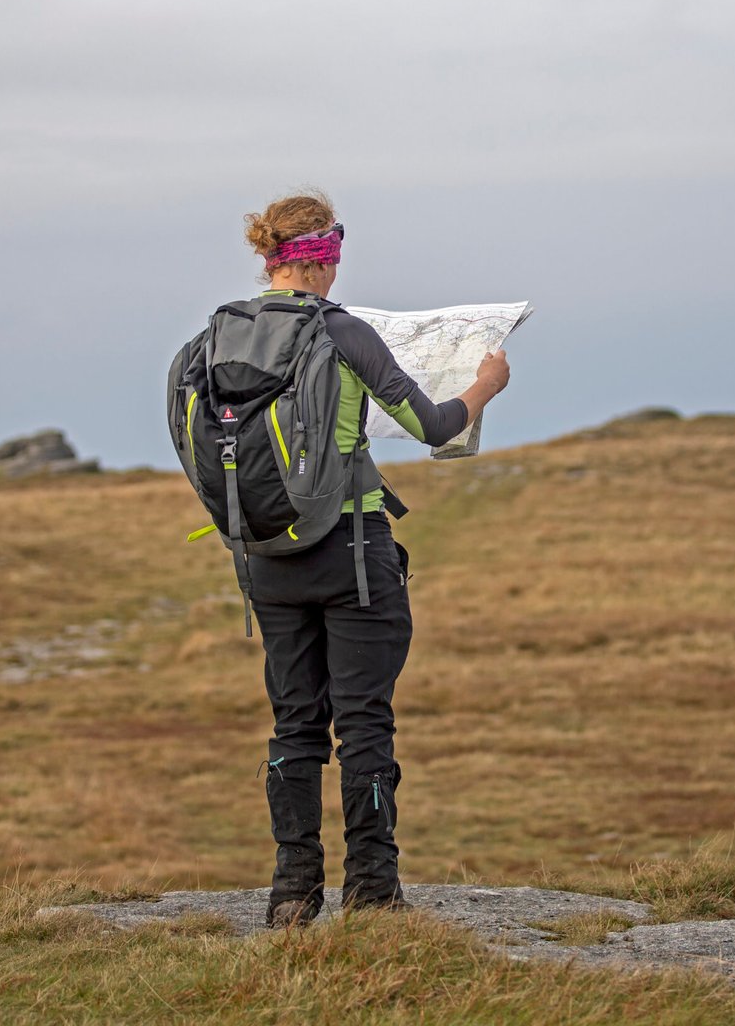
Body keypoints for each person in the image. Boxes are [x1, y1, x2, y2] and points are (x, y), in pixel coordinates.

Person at [233, 193, 510, 927]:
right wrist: (485, 385)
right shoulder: (344, 334)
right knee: (363, 722)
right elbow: (435, 425)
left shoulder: (220, 338)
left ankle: (292, 893)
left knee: (293, 723)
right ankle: (372, 889)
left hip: (265, 556)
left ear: (270, 261)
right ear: (326, 257)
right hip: (351, 550)